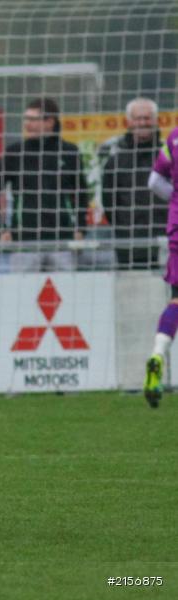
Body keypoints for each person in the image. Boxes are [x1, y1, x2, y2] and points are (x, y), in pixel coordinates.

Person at [0, 98, 90, 272]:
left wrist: (80, 228)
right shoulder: (15, 153)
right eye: (25, 119)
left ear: (49, 122)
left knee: (67, 294)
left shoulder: (69, 152)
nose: (27, 124)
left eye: (33, 119)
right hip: (24, 241)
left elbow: (81, 193)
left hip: (62, 240)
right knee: (22, 296)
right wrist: (1, 229)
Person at [102, 98, 165, 270]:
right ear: (128, 122)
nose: (143, 122)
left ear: (155, 120)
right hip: (129, 244)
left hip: (167, 241)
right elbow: (109, 203)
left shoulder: (170, 157)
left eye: (147, 118)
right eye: (138, 118)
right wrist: (124, 226)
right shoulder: (115, 161)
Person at [144, 124, 178, 408]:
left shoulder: (174, 138)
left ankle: (157, 354)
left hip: (177, 229)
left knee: (177, 300)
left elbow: (154, 181)